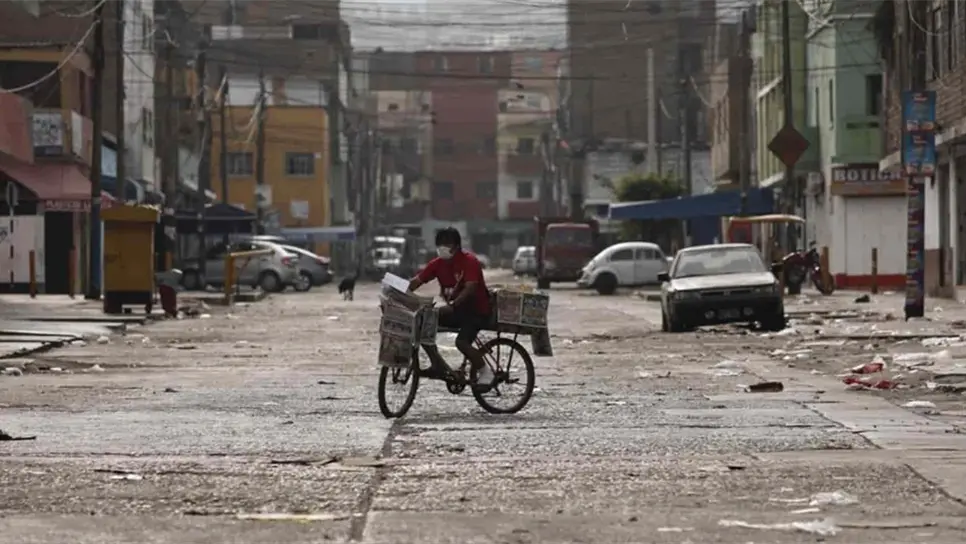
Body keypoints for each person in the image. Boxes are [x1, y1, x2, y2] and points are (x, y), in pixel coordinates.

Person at [408, 227, 494, 389]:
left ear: (456, 246)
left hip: (476, 311)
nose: (442, 247)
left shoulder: (469, 262)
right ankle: (437, 365)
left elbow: (470, 288)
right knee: (422, 327)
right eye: (440, 244)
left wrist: (453, 305)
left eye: (446, 244)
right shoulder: (437, 264)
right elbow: (417, 281)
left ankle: (485, 371)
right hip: (455, 311)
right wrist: (397, 292)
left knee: (461, 342)